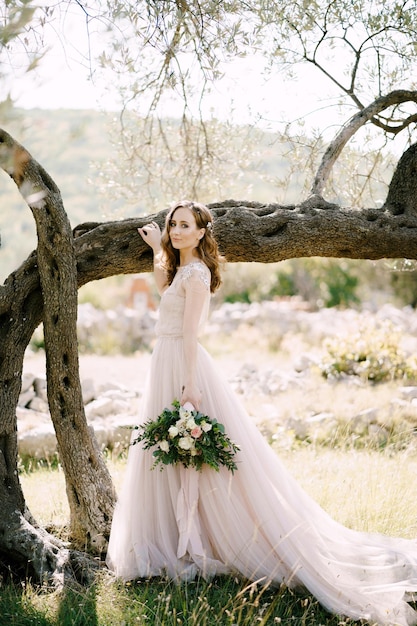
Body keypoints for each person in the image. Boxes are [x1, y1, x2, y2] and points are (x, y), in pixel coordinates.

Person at [106, 200, 417, 626]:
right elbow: (167, 296)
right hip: (167, 359)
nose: (176, 231)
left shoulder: (196, 275)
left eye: (183, 226)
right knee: (171, 456)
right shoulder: (182, 270)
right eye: (172, 224)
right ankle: (180, 537)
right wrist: (159, 249)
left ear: (200, 233)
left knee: (200, 457)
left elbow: (191, 334)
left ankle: (210, 538)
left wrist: (190, 388)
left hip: (183, 365)